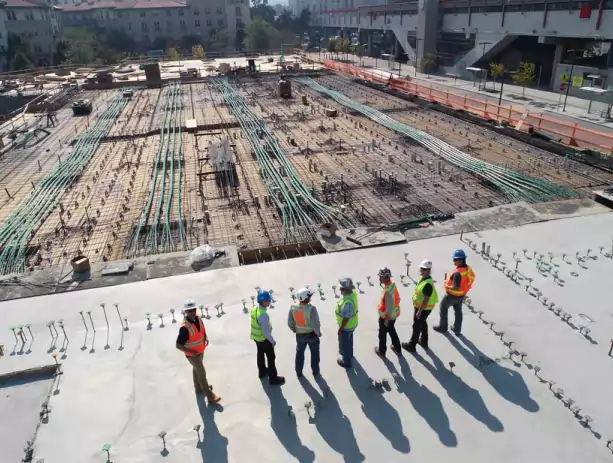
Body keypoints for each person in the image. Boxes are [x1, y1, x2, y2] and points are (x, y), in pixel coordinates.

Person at [176, 299, 221, 404]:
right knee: (202, 373)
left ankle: (199, 388)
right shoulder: (184, 327)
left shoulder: (198, 319)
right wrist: (192, 352)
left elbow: (202, 329)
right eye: (189, 311)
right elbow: (178, 345)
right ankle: (210, 396)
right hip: (192, 355)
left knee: (196, 370)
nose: (192, 312)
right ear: (186, 312)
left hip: (200, 350)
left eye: (193, 310)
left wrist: (205, 337)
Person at [434, 249, 476, 335]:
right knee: (458, 311)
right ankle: (457, 329)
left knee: (443, 307)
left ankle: (443, 327)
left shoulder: (457, 273)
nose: (453, 261)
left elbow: (456, 287)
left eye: (455, 260)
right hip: (462, 295)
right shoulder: (467, 269)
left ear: (460, 260)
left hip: (452, 295)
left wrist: (447, 286)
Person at [402, 260, 438, 352]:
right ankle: (424, 341)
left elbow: (425, 300)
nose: (421, 271)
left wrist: (419, 311)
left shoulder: (427, 285)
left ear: (428, 270)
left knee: (416, 326)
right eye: (421, 269)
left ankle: (412, 345)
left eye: (423, 269)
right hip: (422, 307)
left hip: (424, 308)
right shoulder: (424, 279)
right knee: (422, 323)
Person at [251, 290, 285, 386]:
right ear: (263, 302)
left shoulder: (254, 309)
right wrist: (272, 341)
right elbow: (266, 331)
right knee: (271, 358)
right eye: (268, 300)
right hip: (264, 339)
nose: (270, 302)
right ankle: (273, 378)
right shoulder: (263, 315)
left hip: (256, 338)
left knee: (260, 355)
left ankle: (262, 372)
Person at [288, 287, 322, 377]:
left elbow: (290, 322)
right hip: (311, 335)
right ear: (306, 299)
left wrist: (294, 330)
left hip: (299, 335)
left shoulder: (293, 307)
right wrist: (318, 333)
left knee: (299, 353)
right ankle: (315, 371)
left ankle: (298, 372)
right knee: (314, 353)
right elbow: (315, 324)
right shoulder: (312, 309)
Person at [375, 267, 401, 357]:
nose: (379, 278)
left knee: (382, 334)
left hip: (386, 317)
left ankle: (382, 351)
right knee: (392, 330)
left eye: (381, 276)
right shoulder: (392, 285)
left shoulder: (388, 291)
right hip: (394, 315)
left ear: (386, 278)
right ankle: (397, 347)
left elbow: (389, 308)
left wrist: (386, 320)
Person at [336, 277, 359, 368]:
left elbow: (346, 317)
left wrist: (341, 328)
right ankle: (350, 354)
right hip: (353, 324)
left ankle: (346, 361)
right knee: (349, 340)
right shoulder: (353, 294)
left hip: (347, 326)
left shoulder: (348, 302)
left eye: (341, 289)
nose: (340, 291)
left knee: (345, 343)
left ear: (346, 290)